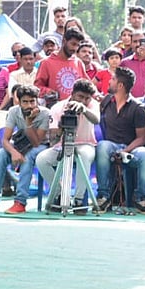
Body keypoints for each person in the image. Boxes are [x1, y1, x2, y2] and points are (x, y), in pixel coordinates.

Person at [94, 67, 145, 214]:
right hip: (111, 145)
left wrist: (125, 151)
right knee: (102, 146)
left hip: (132, 148)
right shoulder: (106, 102)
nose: (109, 81)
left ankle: (141, 197)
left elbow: (141, 138)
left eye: (113, 79)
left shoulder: (138, 108)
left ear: (120, 85)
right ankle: (104, 196)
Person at [0, 84, 49, 214]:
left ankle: (20, 202)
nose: (29, 105)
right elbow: (5, 140)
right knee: (0, 154)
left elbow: (36, 142)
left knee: (27, 158)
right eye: (25, 102)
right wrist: (14, 152)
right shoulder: (13, 111)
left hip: (40, 145)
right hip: (21, 144)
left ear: (37, 100)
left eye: (32, 101)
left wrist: (28, 122)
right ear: (19, 102)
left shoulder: (44, 113)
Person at [36, 79, 99, 211]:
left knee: (84, 155)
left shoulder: (93, 104)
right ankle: (59, 194)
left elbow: (96, 120)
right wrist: (60, 129)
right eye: (80, 97)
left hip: (85, 144)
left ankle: (78, 199)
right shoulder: (58, 108)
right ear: (72, 94)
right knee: (41, 159)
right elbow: (53, 141)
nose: (83, 101)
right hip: (62, 145)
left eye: (87, 98)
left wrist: (85, 110)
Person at [34, 28, 87, 101]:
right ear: (64, 41)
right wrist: (48, 91)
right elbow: (37, 87)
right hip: (54, 108)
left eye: (78, 45)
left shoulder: (78, 63)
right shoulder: (46, 62)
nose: (75, 48)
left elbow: (87, 86)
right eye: (73, 44)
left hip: (75, 108)